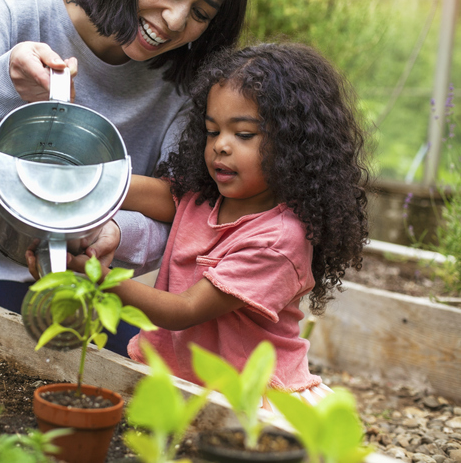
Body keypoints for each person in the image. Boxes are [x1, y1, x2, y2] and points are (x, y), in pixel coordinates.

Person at [0, 0, 252, 356]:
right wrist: (5, 82)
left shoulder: (188, 82)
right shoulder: (29, 4)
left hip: (98, 288)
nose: (174, 20)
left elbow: (187, 215)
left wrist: (117, 231)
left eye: (201, 13)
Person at [33, 42, 371, 402]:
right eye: (212, 131)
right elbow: (157, 195)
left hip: (249, 396)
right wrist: (85, 182)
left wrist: (94, 278)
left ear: (294, 145)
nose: (221, 146)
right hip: (181, 381)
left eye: (243, 134)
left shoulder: (279, 238)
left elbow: (185, 310)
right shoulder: (206, 197)